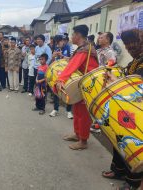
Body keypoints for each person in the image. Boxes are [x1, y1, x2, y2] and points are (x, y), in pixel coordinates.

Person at [102, 29, 143, 190]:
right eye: (126, 44)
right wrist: (114, 78)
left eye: (133, 44)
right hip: (127, 107)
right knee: (118, 139)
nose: (129, 48)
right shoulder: (135, 61)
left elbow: (137, 85)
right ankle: (119, 171)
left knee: (132, 145)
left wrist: (118, 81)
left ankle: (133, 183)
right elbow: (127, 77)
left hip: (138, 110)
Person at [56, 25, 99, 150]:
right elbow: (73, 62)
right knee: (77, 111)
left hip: (88, 86)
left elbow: (72, 66)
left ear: (78, 35)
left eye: (73, 34)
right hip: (82, 83)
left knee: (83, 114)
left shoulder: (85, 49)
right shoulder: (83, 48)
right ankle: (77, 134)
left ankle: (83, 141)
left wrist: (60, 79)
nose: (71, 37)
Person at [49, 35, 73, 119]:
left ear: (63, 41)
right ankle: (55, 109)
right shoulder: (56, 48)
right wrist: (53, 56)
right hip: (57, 74)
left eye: (59, 42)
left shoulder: (70, 48)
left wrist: (62, 55)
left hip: (68, 74)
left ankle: (69, 111)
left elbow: (72, 60)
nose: (58, 44)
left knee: (68, 91)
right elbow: (51, 62)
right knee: (56, 91)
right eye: (56, 43)